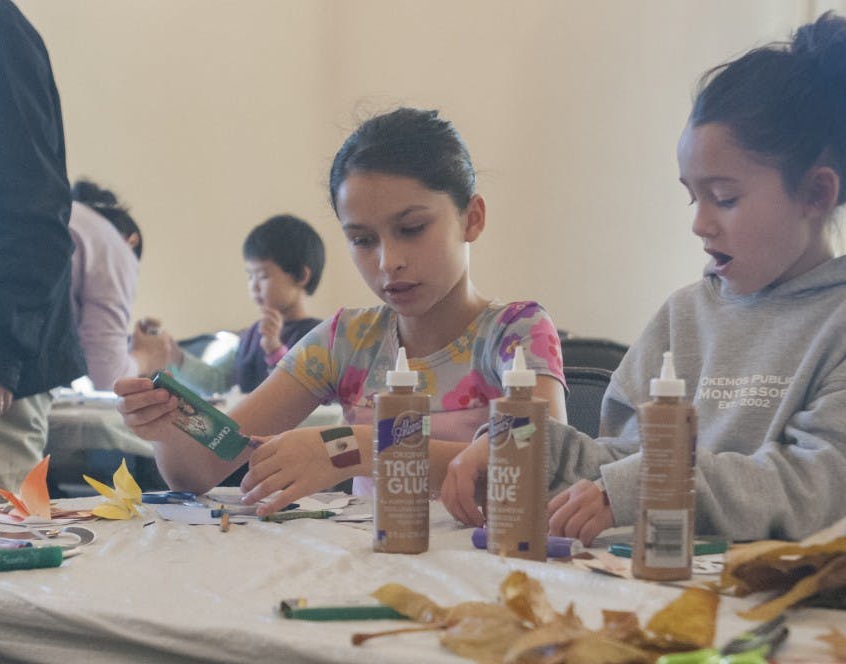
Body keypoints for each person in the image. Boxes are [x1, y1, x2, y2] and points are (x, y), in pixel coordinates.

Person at [442, 13, 846, 544]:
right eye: (693, 196)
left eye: (725, 198)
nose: (699, 223)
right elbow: (623, 463)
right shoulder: (685, 315)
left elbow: (825, 489)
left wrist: (649, 488)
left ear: (817, 194)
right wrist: (525, 446)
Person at [114, 108, 567, 514]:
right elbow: (203, 469)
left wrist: (351, 449)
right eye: (363, 240)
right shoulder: (347, 341)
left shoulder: (517, 332)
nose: (389, 261)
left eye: (411, 228)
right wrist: (169, 429)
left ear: (472, 218)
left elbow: (542, 460)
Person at [0, 0, 88, 490]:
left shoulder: (1, 32)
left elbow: (33, 209)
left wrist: (3, 357)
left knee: (7, 564)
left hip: (6, 369)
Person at [132, 214, 326, 395]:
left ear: (301, 276)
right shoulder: (250, 336)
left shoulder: (320, 336)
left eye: (263, 276)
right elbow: (216, 382)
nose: (254, 286)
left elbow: (305, 394)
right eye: (250, 276)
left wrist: (275, 351)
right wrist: (176, 356)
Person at [69, 179, 151, 390]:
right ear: (132, 241)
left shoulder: (68, 217)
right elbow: (107, 378)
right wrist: (147, 357)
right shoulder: (114, 245)